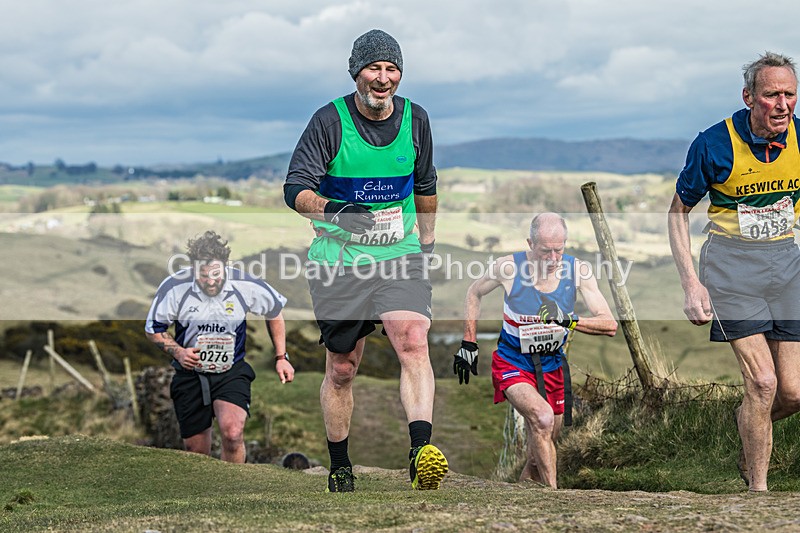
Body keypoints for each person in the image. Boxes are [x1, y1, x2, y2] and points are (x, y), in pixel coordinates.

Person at [283, 29, 446, 492]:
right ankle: (340, 463)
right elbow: (295, 190)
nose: (383, 78)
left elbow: (426, 184)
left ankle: (420, 451)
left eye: (392, 68)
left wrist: (427, 246)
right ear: (357, 72)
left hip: (400, 255)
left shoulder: (417, 120)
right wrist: (336, 211)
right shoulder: (329, 121)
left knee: (413, 339)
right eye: (374, 68)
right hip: (340, 261)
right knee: (342, 368)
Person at [668, 52, 800, 492]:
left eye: (789, 94)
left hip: (785, 263)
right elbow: (677, 213)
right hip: (730, 268)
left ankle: (748, 421)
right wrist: (691, 283)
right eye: (771, 95)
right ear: (749, 97)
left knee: (792, 392)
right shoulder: (713, 144)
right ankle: (758, 493)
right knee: (763, 382)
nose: (782, 104)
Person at [454, 213, 617, 488]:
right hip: (512, 362)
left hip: (552, 365)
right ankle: (553, 495)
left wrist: (570, 320)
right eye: (545, 251)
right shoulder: (508, 268)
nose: (553, 259)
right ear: (531, 244)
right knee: (541, 419)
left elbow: (609, 324)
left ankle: (523, 488)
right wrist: (469, 342)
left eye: (559, 250)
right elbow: (474, 292)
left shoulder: (578, 272)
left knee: (545, 436)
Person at [145, 230, 292, 463]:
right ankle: (202, 497)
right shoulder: (174, 287)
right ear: (194, 269)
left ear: (225, 266)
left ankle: (233, 493)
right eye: (203, 275)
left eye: (216, 273)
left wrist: (281, 357)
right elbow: (153, 328)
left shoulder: (245, 284)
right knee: (196, 452)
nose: (211, 281)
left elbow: (275, 311)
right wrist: (179, 352)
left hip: (231, 371)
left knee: (233, 434)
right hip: (190, 374)